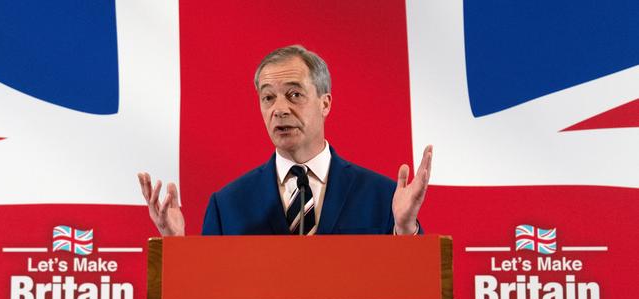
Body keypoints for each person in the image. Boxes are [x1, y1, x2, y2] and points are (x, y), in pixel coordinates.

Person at [138, 45, 432, 236]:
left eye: (294, 95)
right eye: (268, 97)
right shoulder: (227, 205)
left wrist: (405, 229)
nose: (279, 109)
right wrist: (174, 247)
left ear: (325, 103)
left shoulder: (382, 197)